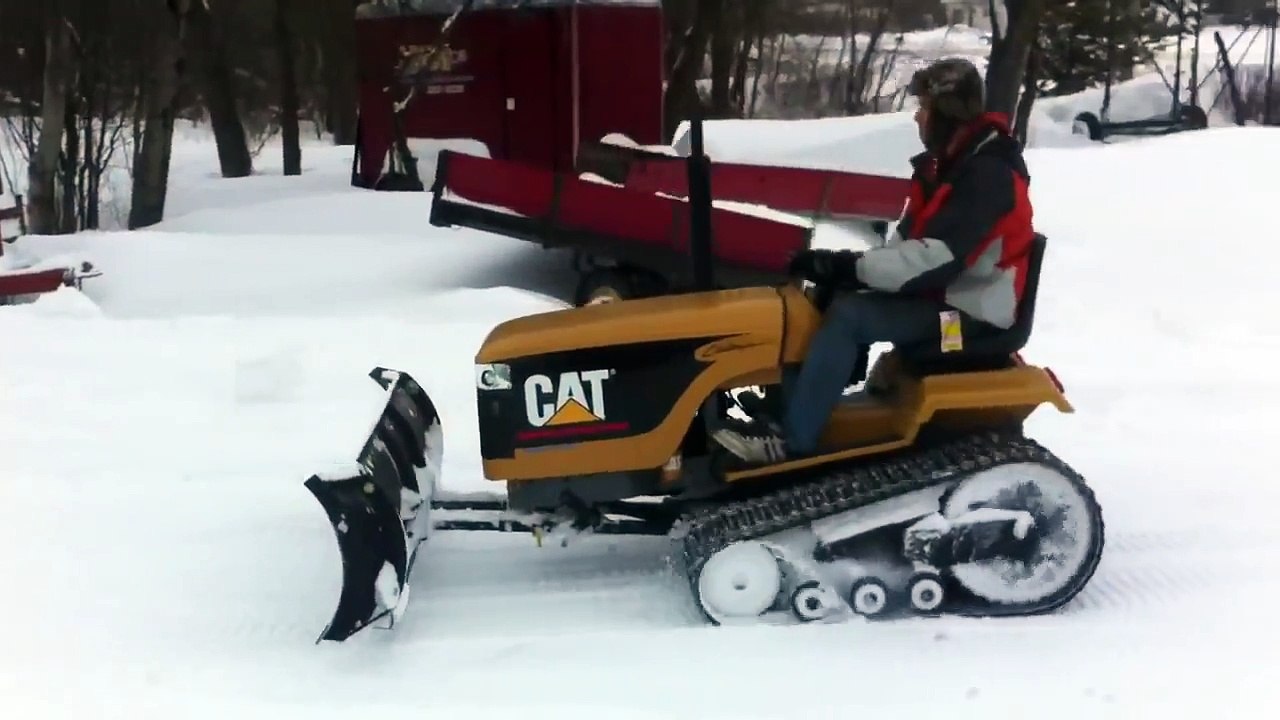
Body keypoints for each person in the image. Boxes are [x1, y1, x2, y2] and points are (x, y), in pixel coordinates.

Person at [712, 57, 1037, 466]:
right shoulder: (951, 166)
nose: (918, 117)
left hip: (970, 313)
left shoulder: (986, 176)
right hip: (948, 293)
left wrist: (850, 268)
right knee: (823, 300)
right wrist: (846, 272)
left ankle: (793, 441)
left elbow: (933, 260)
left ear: (947, 114)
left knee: (851, 317)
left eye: (924, 108)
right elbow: (904, 245)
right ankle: (793, 409)